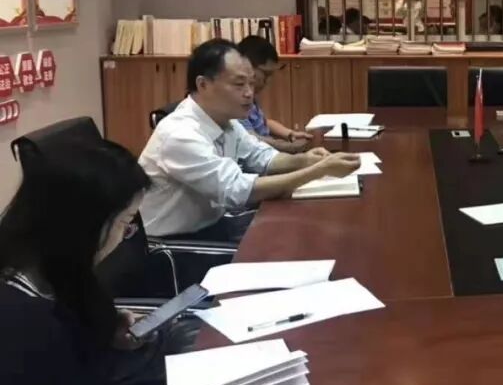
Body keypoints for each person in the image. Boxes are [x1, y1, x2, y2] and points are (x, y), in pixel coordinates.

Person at [0, 140, 165, 385]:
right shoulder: (21, 319)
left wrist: (109, 330)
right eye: (125, 223)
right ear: (85, 224)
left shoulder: (52, 265)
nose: (125, 236)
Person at [139, 39, 361, 242]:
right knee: (291, 242)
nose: (249, 94)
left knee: (307, 228)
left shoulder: (226, 121)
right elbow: (238, 191)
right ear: (203, 84)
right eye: (239, 84)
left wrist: (307, 160)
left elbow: (263, 158)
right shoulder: (180, 134)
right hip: (175, 246)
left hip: (214, 226)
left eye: (251, 84)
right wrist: (318, 170)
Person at [236, 35, 313, 153]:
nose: (268, 81)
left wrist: (290, 134)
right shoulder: (236, 101)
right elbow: (250, 139)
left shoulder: (251, 97)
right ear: (247, 67)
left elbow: (264, 122)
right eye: (266, 74)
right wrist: (288, 147)